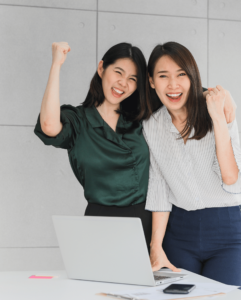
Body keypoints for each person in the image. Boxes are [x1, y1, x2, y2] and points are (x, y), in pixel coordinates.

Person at [143, 42, 241, 288]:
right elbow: (159, 188)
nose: (173, 84)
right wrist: (156, 248)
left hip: (226, 231)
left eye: (181, 74)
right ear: (151, 82)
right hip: (179, 234)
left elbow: (231, 179)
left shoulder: (218, 110)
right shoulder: (151, 126)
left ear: (192, 77)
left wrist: (219, 119)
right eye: (163, 76)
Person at [34, 42, 153, 251]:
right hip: (99, 221)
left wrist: (210, 96)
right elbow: (49, 126)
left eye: (132, 79)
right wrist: (56, 65)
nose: (123, 83)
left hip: (144, 222)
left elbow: (177, 97)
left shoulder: (142, 117)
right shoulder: (79, 120)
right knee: (99, 283)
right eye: (118, 72)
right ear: (101, 69)